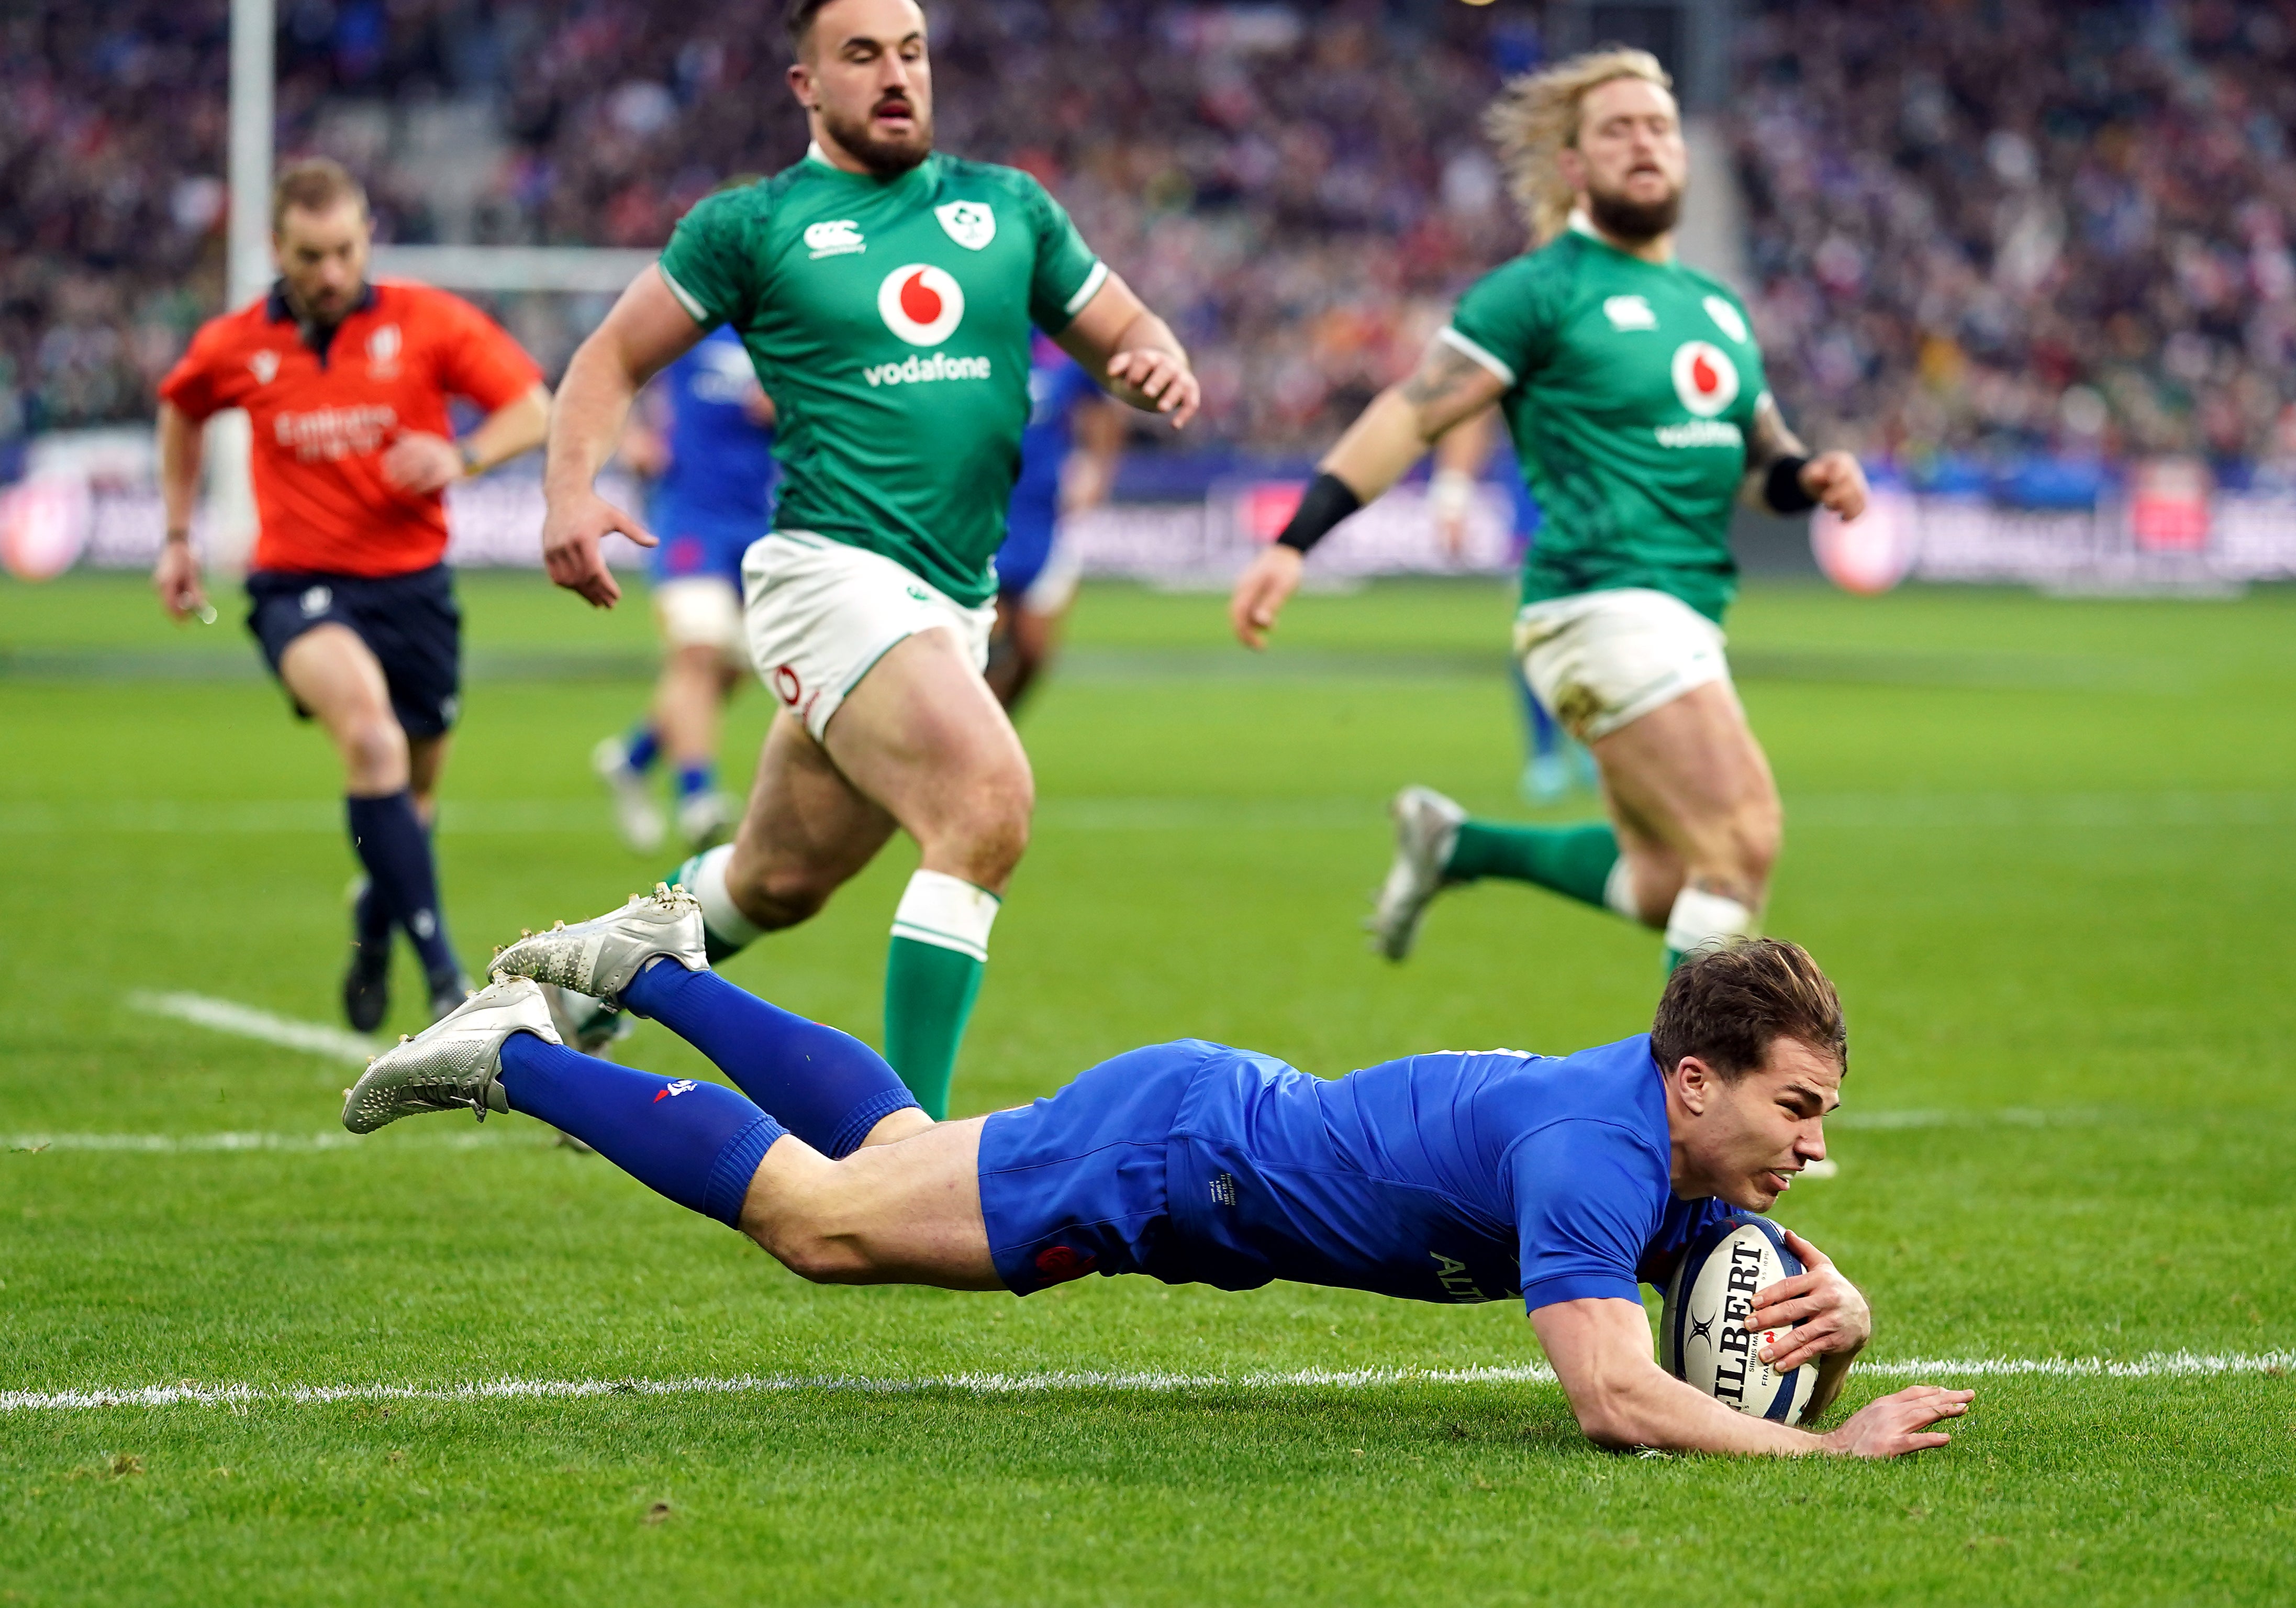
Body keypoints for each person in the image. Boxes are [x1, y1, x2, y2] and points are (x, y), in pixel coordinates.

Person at [343, 899, 1971, 1459]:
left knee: (897, 1154)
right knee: (824, 1227)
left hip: (1204, 1137)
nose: (1813, 1146)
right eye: (1799, 1109)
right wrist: (1833, 1457)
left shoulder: (1664, 1139)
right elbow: (1615, 1398)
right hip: (1178, 1162)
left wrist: (1846, 1318)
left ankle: (657, 968)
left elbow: (1736, 1262)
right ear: (1696, 1082)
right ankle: (514, 1052)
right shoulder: (1596, 1152)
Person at [536, 0, 1197, 1121]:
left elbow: (1131, 330)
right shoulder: (752, 226)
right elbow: (611, 355)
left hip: (952, 598)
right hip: (829, 574)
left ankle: (583, 981)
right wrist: (568, 488)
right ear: (805, 84)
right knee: (987, 804)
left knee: (774, 880)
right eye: (862, 56)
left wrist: (1155, 366)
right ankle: (910, 1152)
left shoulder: (1009, 209)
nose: (896, 75)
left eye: (912, 52)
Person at [1227, 49, 1869, 976]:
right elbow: (1411, 412)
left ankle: (1460, 846)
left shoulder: (1714, 308)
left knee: (1665, 879)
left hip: (1674, 608)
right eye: (1616, 129)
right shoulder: (1539, 291)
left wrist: (1812, 478)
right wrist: (1294, 542)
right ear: (1572, 164)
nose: (1642, 142)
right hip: (1603, 600)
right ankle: (1677, 1118)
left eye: (1658, 126)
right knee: (1741, 839)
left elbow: (1759, 462)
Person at [152, 158, 551, 1030]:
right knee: (370, 742)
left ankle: (372, 931)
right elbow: (182, 409)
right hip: (299, 589)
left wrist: (462, 456)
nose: (330, 274)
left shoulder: (426, 321)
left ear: (367, 235)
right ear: (276, 249)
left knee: (412, 800)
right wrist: (179, 536)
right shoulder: (237, 343)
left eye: (342, 251)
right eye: (308, 257)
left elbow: (533, 406)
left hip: (414, 593)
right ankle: (449, 982)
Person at [592, 323, 778, 853]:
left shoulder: (792, 319)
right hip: (691, 516)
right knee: (699, 650)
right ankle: (699, 797)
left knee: (734, 667)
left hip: (765, 519)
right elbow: (616, 367)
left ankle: (635, 757)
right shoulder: (692, 316)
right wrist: (631, 436)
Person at [1428, 406, 1599, 806]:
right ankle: (1546, 757)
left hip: (1610, 500)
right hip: (1541, 501)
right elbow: (1476, 406)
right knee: (1539, 627)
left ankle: (1593, 740)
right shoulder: (1532, 351)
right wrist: (1452, 497)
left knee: (1602, 629)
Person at [983, 329, 1124, 712]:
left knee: (1033, 650)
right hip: (984, 513)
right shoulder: (976, 341)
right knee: (986, 646)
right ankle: (974, 751)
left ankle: (996, 733)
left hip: (1045, 516)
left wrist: (1096, 471)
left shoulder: (1062, 351)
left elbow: (1102, 414)